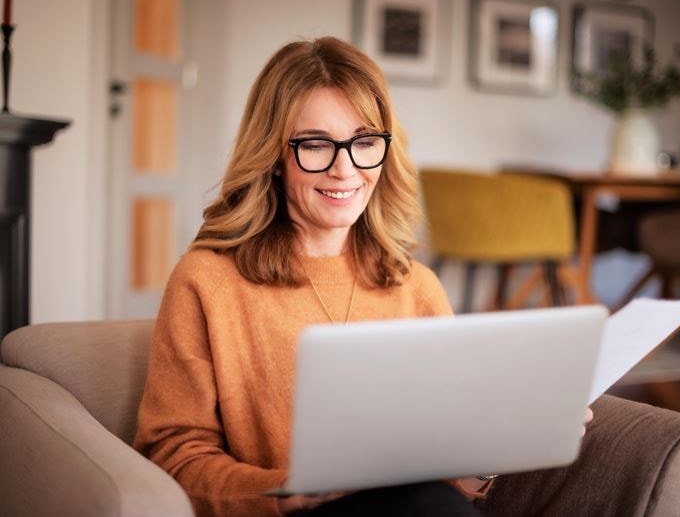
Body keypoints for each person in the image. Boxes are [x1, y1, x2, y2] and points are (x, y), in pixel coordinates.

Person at [133, 36, 588, 517]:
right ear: (273, 158)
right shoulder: (207, 281)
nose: (344, 169)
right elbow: (173, 456)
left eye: (365, 142)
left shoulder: (416, 286)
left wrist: (495, 449)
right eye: (315, 144)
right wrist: (293, 492)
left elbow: (449, 473)